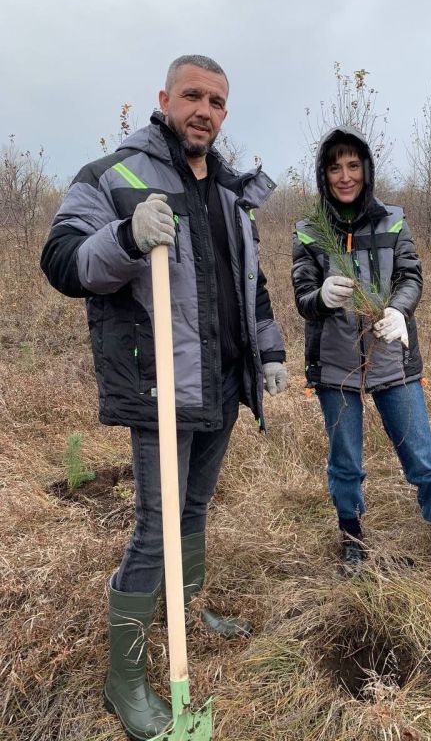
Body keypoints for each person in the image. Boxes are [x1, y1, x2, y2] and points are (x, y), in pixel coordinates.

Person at [41, 55, 288, 740]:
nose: (204, 110)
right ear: (165, 98)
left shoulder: (231, 192)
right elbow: (62, 260)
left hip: (224, 383)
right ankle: (124, 681)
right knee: (156, 525)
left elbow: (252, 284)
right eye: (192, 96)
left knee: (195, 507)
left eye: (216, 101)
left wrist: (269, 352)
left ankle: (185, 611)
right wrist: (125, 236)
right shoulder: (115, 176)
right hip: (162, 384)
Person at [292, 126, 431, 600]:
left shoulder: (393, 220)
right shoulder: (309, 229)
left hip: (391, 356)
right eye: (335, 167)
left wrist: (399, 309)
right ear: (323, 174)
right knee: (345, 461)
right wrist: (322, 297)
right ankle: (353, 539)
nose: (345, 176)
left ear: (366, 169)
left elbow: (411, 276)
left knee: (421, 458)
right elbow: (302, 297)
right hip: (335, 365)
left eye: (352, 166)